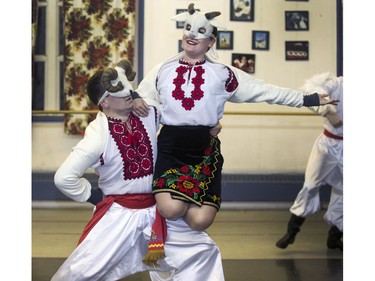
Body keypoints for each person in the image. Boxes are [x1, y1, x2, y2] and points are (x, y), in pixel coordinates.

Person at [132, 3, 339, 233]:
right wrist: (140, 100)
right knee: (171, 209)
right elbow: (145, 98)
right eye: (188, 28)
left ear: (210, 42)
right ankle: (173, 216)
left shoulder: (223, 74)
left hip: (204, 150)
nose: (191, 35)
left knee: (199, 221)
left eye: (201, 32)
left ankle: (183, 213)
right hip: (171, 147)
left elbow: (267, 91)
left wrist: (308, 99)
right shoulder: (163, 69)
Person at [52, 59, 225, 280]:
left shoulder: (148, 114)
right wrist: (95, 197)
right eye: (120, 90)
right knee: (79, 273)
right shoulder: (98, 135)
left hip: (155, 210)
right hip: (119, 215)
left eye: (129, 88)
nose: (129, 92)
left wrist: (207, 125)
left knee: (202, 252)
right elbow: (64, 177)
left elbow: (181, 116)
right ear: (104, 102)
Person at [275, 72, 343, 251]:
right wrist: (327, 110)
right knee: (311, 185)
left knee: (345, 192)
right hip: (327, 145)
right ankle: (292, 230)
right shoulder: (337, 84)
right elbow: (309, 86)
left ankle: (335, 236)